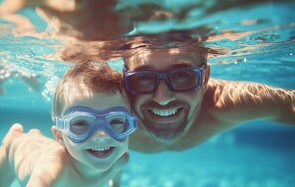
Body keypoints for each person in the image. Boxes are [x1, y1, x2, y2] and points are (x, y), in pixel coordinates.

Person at [0, 61, 138, 187]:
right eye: (80, 123)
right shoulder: (52, 168)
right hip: (13, 150)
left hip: (39, 146)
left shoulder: (121, 158)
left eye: (116, 121)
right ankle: (15, 135)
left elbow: (117, 172)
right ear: (59, 136)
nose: (101, 135)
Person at [122, 44, 295, 152]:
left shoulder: (227, 102)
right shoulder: (107, 106)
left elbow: (289, 104)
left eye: (181, 75)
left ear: (205, 78)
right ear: (124, 78)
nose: (162, 98)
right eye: (142, 77)